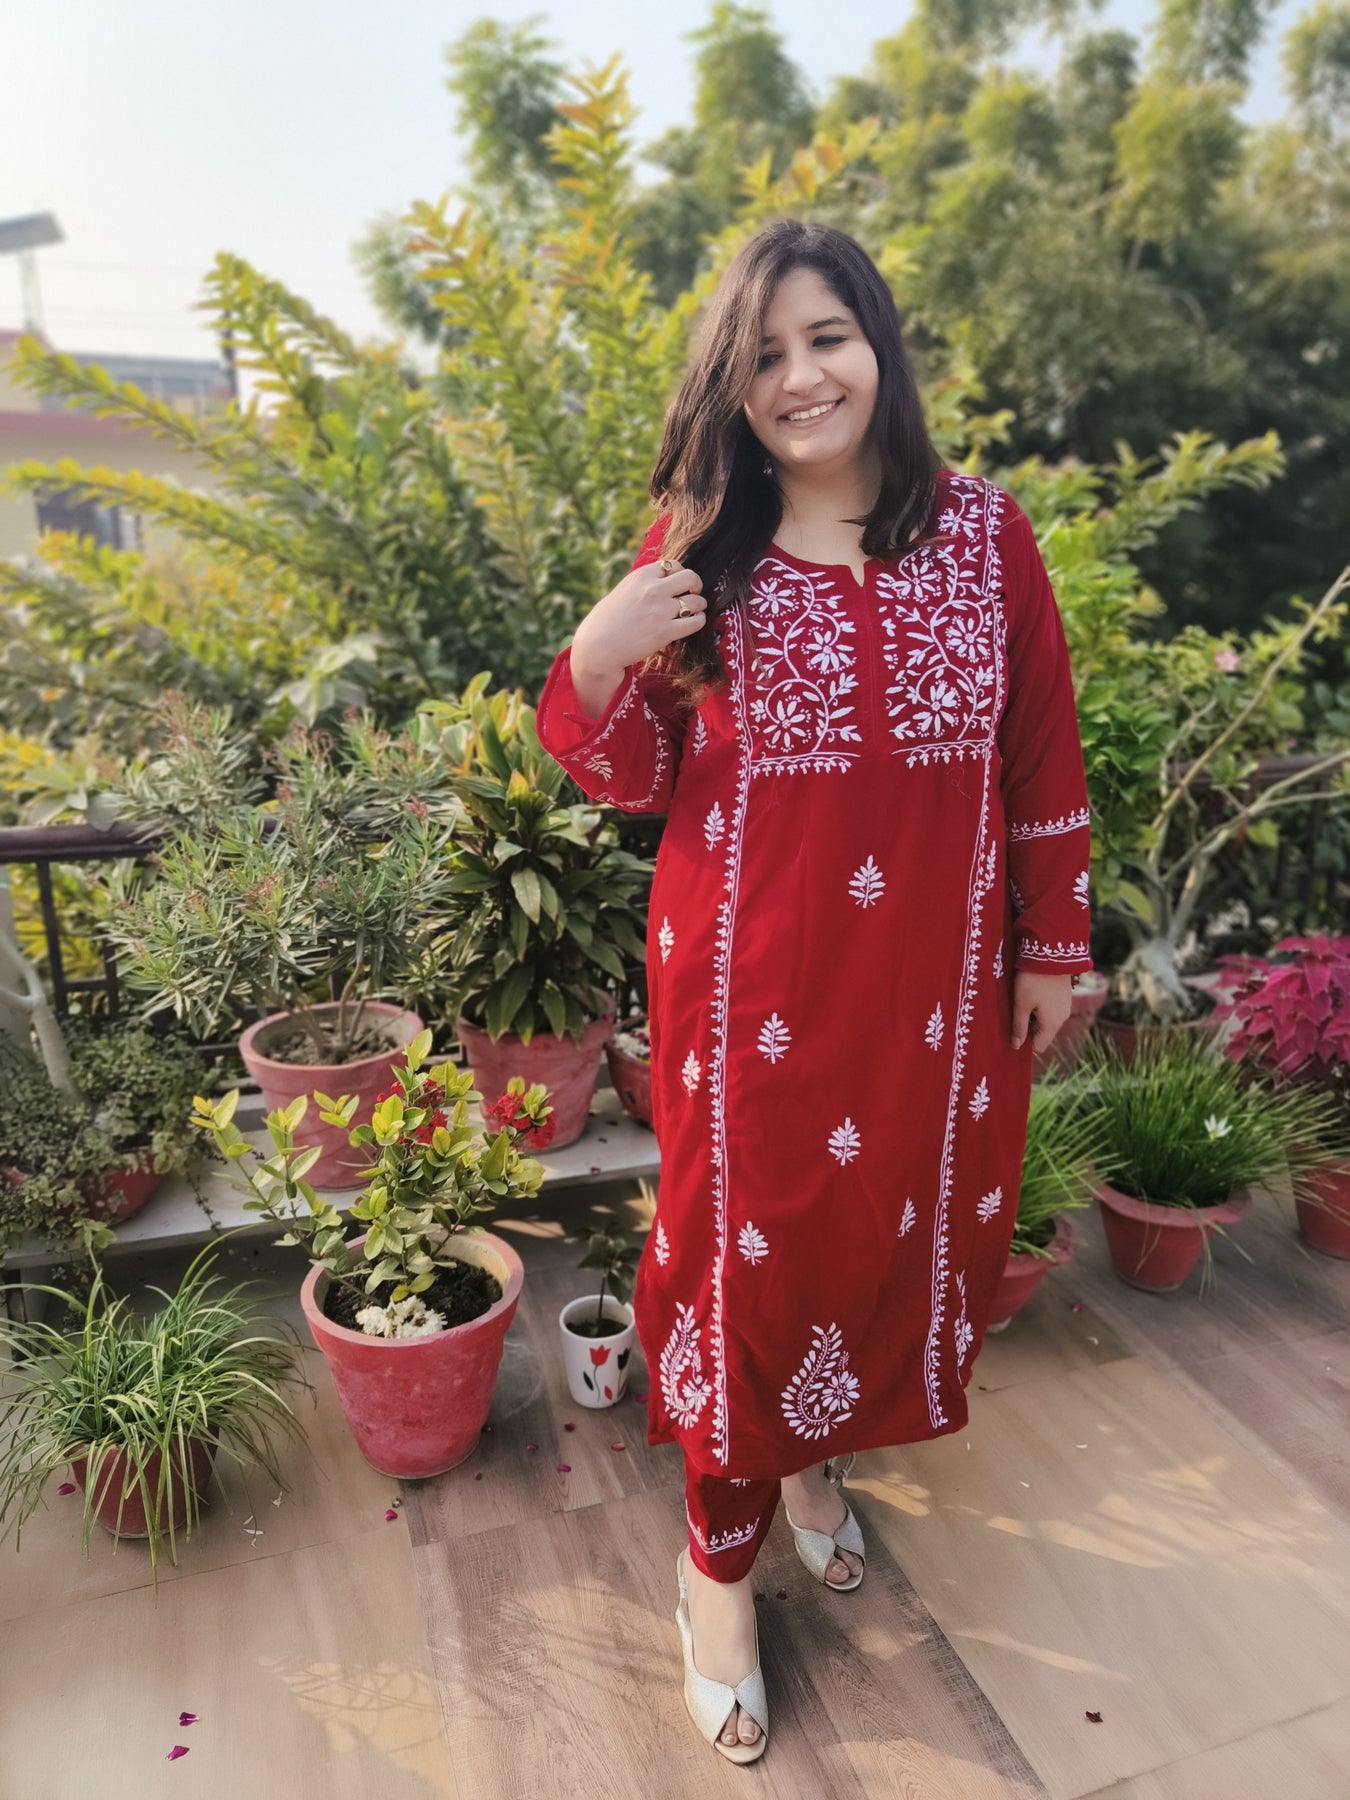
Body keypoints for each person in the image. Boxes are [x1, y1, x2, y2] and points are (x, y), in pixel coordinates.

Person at [534, 219, 1091, 1765]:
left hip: (930, 1000)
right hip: (750, 1001)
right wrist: (594, 659)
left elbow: (1038, 748)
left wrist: (1052, 944)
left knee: (885, 1240)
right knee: (756, 1269)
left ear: (876, 346)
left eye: (825, 338)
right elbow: (635, 774)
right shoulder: (698, 549)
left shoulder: (983, 536)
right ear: (734, 382)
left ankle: (814, 1461)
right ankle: (714, 1574)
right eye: (764, 353)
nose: (799, 377)